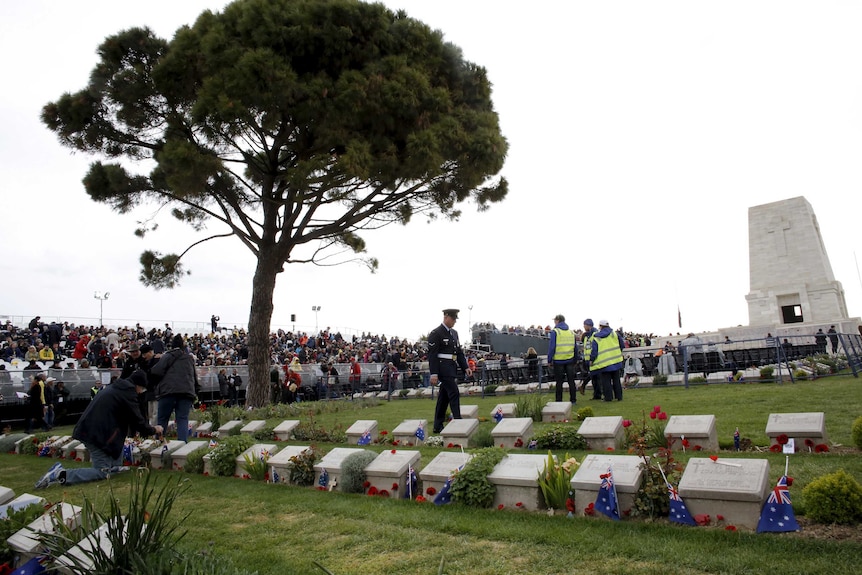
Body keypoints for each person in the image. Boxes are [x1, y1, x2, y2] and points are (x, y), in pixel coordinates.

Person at [34, 370, 163, 489]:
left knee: (112, 452)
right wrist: (153, 430)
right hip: (94, 433)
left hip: (94, 429)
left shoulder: (117, 388)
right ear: (137, 385)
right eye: (142, 389)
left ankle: (114, 467)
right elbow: (137, 419)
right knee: (101, 472)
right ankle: (61, 474)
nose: (141, 392)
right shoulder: (127, 393)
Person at [428, 308, 471, 434]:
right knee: (454, 392)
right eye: (452, 319)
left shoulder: (454, 333)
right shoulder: (436, 333)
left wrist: (466, 367)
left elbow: (458, 352)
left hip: (451, 367)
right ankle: (458, 421)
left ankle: (437, 425)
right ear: (445, 317)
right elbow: (432, 354)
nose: (454, 322)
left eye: (455, 319)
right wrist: (434, 373)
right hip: (442, 368)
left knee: (444, 398)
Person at [151, 334, 199, 443]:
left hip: (168, 391)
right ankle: (182, 445)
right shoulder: (189, 358)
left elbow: (156, 371)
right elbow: (194, 376)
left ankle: (159, 443)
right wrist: (196, 390)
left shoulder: (167, 356)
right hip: (186, 392)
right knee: (182, 419)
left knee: (162, 419)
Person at [589, 319, 625, 402]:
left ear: (600, 326)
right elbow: (622, 345)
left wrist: (591, 360)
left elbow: (594, 351)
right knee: (616, 380)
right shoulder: (614, 334)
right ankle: (619, 396)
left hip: (604, 363)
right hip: (616, 361)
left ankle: (608, 397)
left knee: (606, 381)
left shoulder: (597, 337)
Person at [547, 314, 577, 404]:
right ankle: (573, 400)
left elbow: (552, 347)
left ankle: (559, 401)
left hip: (558, 360)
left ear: (558, 320)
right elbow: (575, 347)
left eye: (555, 320)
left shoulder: (555, 332)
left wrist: (549, 360)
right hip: (570, 360)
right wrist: (575, 359)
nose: (554, 322)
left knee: (559, 382)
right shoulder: (571, 332)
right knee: (571, 381)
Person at [581, 319, 599, 399]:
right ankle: (596, 395)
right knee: (594, 378)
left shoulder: (595, 334)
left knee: (595, 376)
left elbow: (595, 347)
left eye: (584, 325)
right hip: (587, 359)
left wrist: (592, 358)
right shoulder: (586, 336)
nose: (584, 327)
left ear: (588, 325)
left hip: (594, 359)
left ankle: (596, 394)